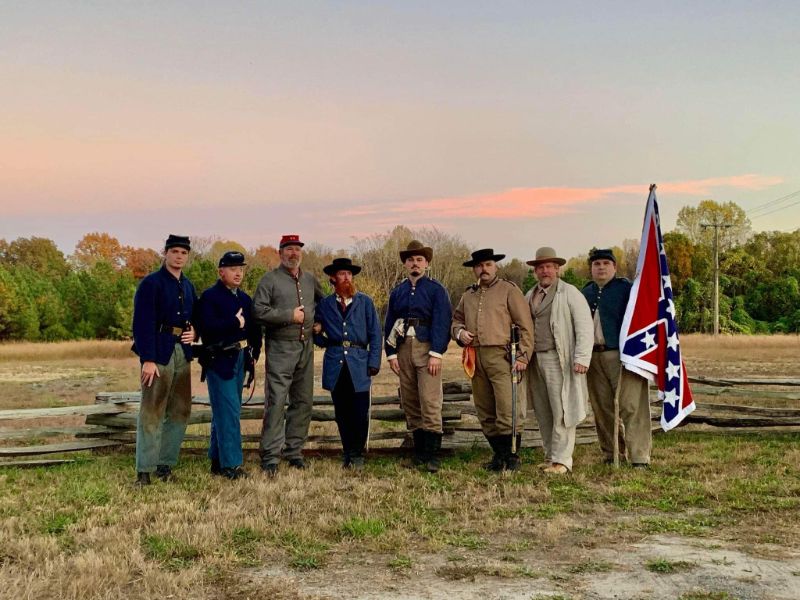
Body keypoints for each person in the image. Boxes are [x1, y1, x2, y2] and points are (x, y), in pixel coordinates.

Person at [451, 249, 534, 471]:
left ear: (495, 266)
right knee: (485, 409)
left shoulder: (509, 290)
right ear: (474, 269)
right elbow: (456, 321)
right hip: (476, 358)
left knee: (508, 408)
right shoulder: (468, 295)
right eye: (479, 266)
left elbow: (526, 326)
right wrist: (460, 334)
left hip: (503, 356)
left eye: (488, 265)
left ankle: (512, 457)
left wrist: (524, 356)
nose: (483, 269)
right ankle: (498, 455)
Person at [253, 234, 324, 476]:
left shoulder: (310, 279)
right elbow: (258, 312)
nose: (294, 253)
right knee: (276, 402)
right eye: (289, 249)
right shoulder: (269, 280)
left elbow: (324, 306)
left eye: (297, 249)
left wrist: (320, 324)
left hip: (306, 348)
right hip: (281, 348)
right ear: (280, 252)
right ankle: (271, 455)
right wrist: (288, 316)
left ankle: (294, 451)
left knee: (303, 401)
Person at [131, 234, 197, 486]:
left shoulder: (188, 286)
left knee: (180, 410)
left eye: (183, 253)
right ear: (166, 253)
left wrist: (196, 332)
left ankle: (165, 465)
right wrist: (147, 359)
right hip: (158, 352)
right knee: (152, 411)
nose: (179, 256)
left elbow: (196, 316)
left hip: (182, 351)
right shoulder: (151, 283)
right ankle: (144, 471)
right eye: (175, 252)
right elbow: (141, 323)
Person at [384, 240, 452, 472]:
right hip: (404, 349)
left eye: (419, 260)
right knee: (411, 402)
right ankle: (419, 453)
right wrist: (391, 354)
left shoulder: (436, 290)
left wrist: (436, 353)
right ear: (405, 264)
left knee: (430, 401)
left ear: (427, 263)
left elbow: (443, 322)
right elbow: (390, 322)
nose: (415, 264)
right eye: (411, 260)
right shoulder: (398, 291)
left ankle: (432, 456)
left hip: (427, 349)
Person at [525, 246, 593, 475]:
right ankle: (550, 456)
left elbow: (585, 326)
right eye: (540, 267)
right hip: (535, 360)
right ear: (536, 271)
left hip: (559, 358)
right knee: (543, 410)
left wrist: (582, 357)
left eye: (548, 267)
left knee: (562, 409)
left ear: (557, 268)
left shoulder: (570, 293)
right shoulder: (530, 295)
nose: (545, 271)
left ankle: (563, 461)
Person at [581, 248, 651, 468]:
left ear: (614, 267)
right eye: (596, 264)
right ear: (591, 268)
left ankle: (639, 456)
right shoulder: (587, 292)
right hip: (594, 356)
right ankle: (612, 453)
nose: (601, 267)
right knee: (602, 408)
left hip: (622, 355)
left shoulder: (626, 289)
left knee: (632, 405)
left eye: (605, 263)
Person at [197, 251, 263, 480]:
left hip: (240, 359)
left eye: (241, 269)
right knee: (229, 413)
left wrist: (254, 354)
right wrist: (234, 322)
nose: (238, 273)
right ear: (221, 272)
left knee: (224, 412)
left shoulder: (244, 298)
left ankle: (217, 460)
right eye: (233, 268)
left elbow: (255, 330)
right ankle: (232, 465)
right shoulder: (209, 297)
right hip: (219, 361)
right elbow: (207, 327)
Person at [313, 257, 382, 470]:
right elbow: (314, 332)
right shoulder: (324, 305)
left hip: (360, 362)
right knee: (341, 412)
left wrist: (374, 361)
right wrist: (324, 340)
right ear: (333, 278)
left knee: (359, 411)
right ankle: (347, 452)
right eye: (342, 274)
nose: (347, 278)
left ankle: (357, 453)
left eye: (349, 274)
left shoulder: (365, 302)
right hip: (336, 363)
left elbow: (375, 333)